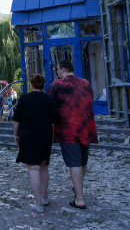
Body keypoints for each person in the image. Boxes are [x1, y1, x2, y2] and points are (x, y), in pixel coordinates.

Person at [48, 59, 98, 210]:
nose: (57, 72)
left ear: (63, 70)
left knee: (74, 163)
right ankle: (78, 190)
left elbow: (49, 105)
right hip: (86, 127)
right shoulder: (86, 83)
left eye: (57, 69)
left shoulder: (57, 85)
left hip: (68, 128)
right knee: (82, 162)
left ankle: (79, 198)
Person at [13, 74, 61, 213]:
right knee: (44, 166)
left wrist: (16, 135)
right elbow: (56, 118)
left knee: (33, 169)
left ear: (31, 85)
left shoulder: (24, 98)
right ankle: (45, 197)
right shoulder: (49, 99)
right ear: (43, 85)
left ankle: (38, 203)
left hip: (27, 135)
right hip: (44, 135)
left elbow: (17, 120)